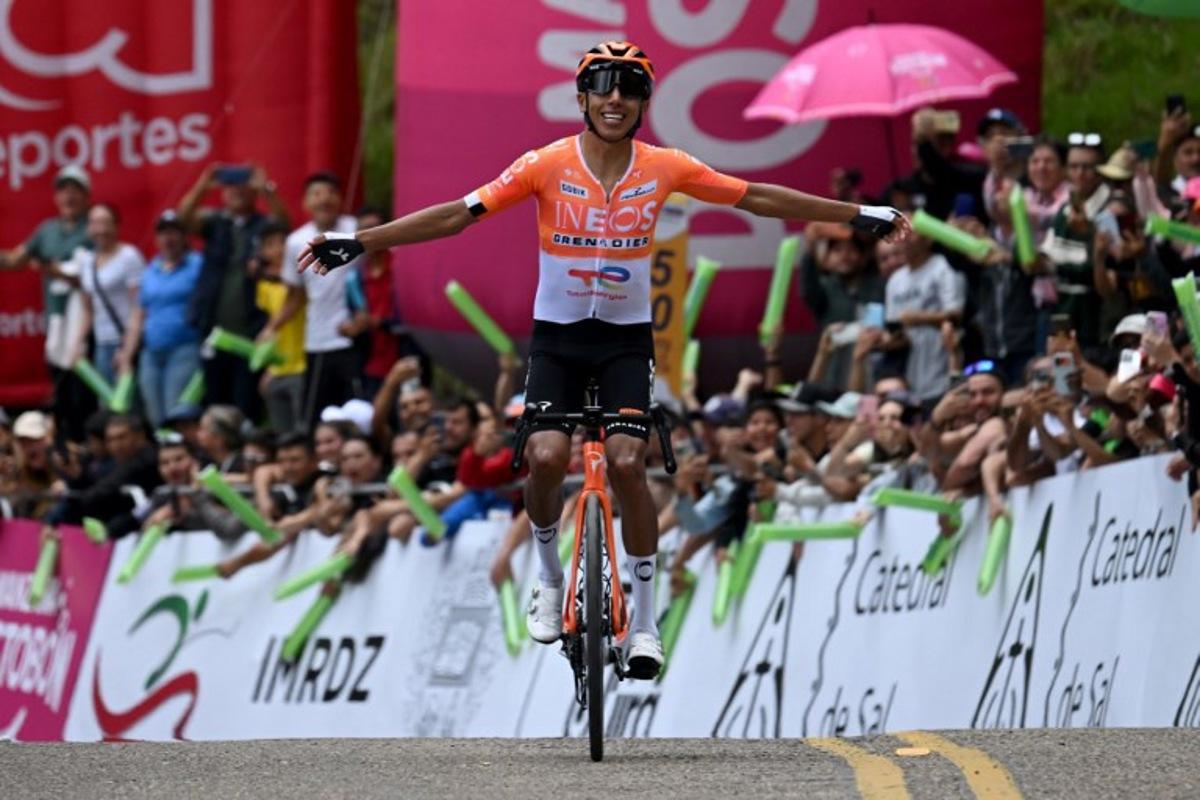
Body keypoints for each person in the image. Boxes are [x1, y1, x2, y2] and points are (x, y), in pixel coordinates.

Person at [299, 41, 908, 679]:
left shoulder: (665, 166)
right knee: (544, 456)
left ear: (644, 101)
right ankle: (547, 576)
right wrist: (360, 241)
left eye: (629, 88)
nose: (615, 98)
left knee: (626, 463)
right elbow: (457, 216)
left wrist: (856, 216)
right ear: (583, 97)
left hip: (624, 341)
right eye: (602, 86)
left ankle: (644, 624)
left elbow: (757, 197)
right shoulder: (544, 164)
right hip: (558, 340)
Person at [178, 163, 288, 418]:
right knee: (215, 399)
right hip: (214, 331)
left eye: (243, 186)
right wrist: (202, 186)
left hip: (251, 332)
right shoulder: (217, 223)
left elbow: (284, 225)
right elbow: (183, 219)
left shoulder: (263, 225)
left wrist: (267, 190)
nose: (236, 192)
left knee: (245, 402)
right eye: (230, 187)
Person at [0, 166, 94, 441]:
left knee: (84, 387)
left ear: (86, 195)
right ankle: (69, 445)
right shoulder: (47, 231)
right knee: (61, 386)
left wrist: (57, 271)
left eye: (75, 189)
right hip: (57, 321)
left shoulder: (94, 227)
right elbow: (16, 259)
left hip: (88, 323)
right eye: (63, 190)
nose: (68, 196)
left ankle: (89, 445)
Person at [268, 172, 363, 428]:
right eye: (317, 194)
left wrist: (364, 318)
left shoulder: (358, 229)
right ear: (306, 203)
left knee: (359, 414)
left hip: (354, 339)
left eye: (331, 193)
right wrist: (271, 328)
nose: (325, 199)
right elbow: (295, 296)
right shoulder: (295, 241)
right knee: (315, 419)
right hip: (318, 341)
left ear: (341, 199)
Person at [120, 211, 204, 427]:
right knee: (155, 415)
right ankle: (165, 457)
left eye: (174, 232)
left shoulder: (197, 264)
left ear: (184, 236)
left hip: (184, 347)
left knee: (175, 410)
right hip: (152, 352)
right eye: (163, 233)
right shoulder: (151, 270)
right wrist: (127, 353)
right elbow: (139, 314)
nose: (169, 238)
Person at [70, 203, 145, 386]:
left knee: (128, 407)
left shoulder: (129, 256)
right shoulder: (87, 261)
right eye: (95, 223)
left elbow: (139, 306)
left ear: (116, 226)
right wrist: (78, 343)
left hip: (128, 341)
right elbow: (88, 309)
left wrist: (127, 350)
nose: (100, 229)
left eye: (105, 223)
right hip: (102, 343)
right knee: (107, 408)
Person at [251, 220, 307, 433]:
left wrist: (271, 328)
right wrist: (269, 368)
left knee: (303, 430)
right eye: (270, 244)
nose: (280, 248)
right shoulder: (264, 286)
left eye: (282, 241)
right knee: (283, 433)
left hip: (303, 364)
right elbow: (270, 329)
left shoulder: (303, 276)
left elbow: (297, 300)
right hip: (278, 368)